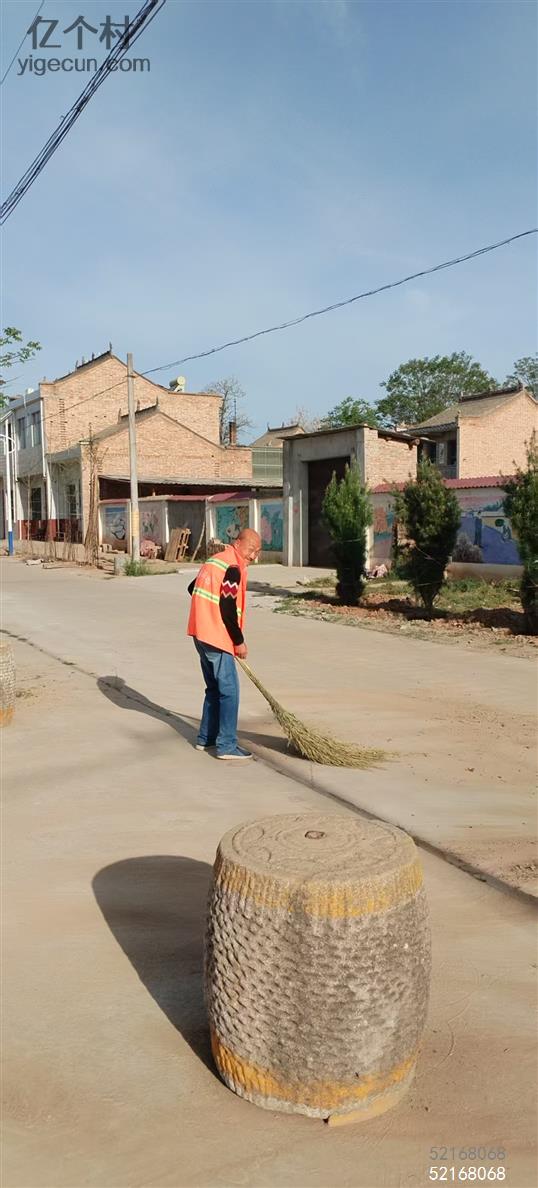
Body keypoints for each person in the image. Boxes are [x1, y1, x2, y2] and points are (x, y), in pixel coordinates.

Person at [187, 528, 261, 760]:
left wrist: (206, 611)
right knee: (230, 692)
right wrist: (239, 642)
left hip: (200, 633)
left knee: (214, 689)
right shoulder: (232, 568)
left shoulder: (214, 561)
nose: (253, 556)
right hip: (216, 637)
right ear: (237, 543)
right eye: (251, 549)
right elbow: (228, 608)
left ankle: (206, 738)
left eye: (257, 552)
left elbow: (192, 588)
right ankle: (227, 745)